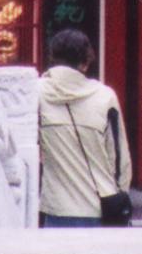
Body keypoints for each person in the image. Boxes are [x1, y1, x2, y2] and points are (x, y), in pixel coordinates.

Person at [38, 28, 130, 227]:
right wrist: (120, 195)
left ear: (52, 57)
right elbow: (120, 159)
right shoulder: (105, 96)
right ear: (86, 62)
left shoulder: (36, 92)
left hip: (56, 208)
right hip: (100, 205)